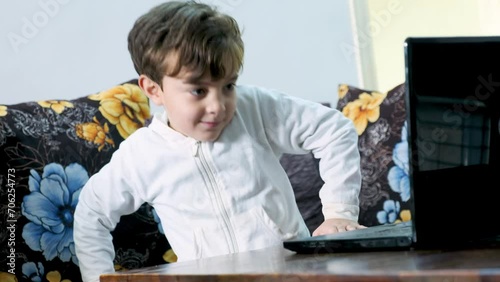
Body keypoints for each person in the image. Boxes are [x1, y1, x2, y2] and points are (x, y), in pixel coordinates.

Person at [74, 1, 364, 281]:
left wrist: (340, 211)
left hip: (291, 274)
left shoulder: (255, 109)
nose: (218, 105)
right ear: (154, 89)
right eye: (198, 91)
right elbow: (92, 212)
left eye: (228, 86)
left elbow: (334, 130)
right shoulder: (142, 155)